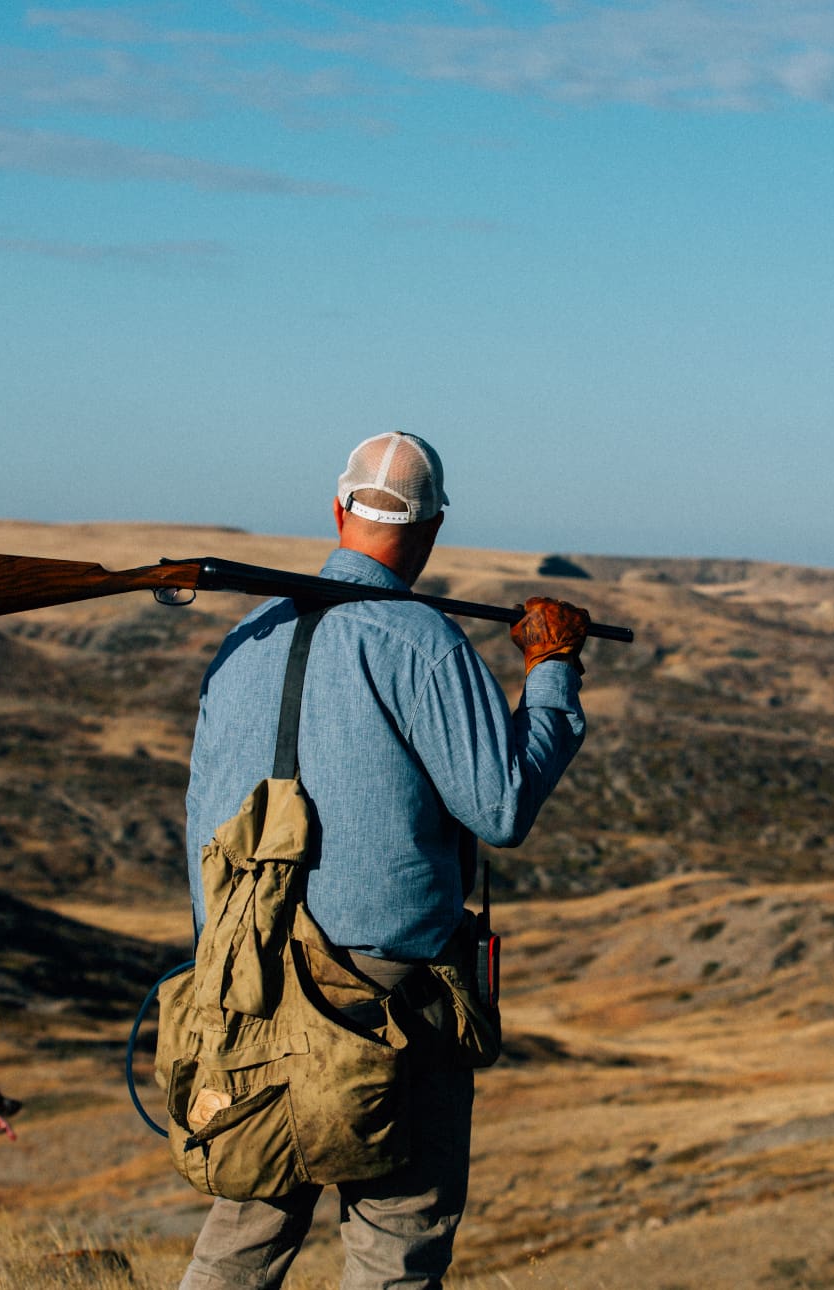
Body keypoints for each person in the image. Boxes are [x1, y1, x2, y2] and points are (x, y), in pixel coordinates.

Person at [179, 431, 591, 1289]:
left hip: (247, 982)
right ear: (432, 528)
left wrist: (224, 966)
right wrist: (550, 670)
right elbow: (502, 808)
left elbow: (200, 817)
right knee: (396, 1243)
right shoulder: (422, 642)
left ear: (337, 510)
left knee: (243, 1233)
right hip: (388, 999)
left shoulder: (244, 639)